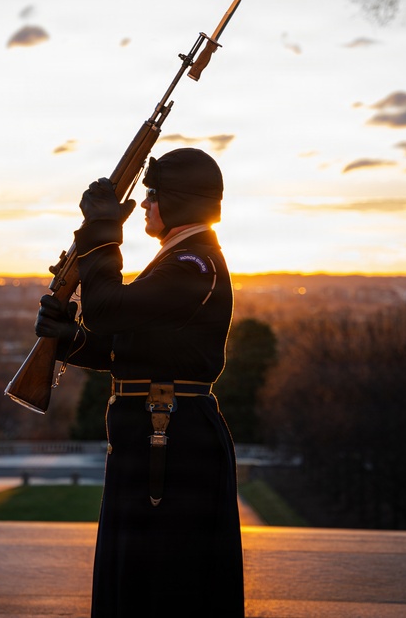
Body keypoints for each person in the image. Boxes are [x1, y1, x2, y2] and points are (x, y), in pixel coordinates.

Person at [34, 148, 245, 617]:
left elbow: (108, 309)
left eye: (154, 195)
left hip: (170, 442)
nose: (145, 203)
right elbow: (131, 351)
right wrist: (69, 341)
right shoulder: (179, 261)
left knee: (166, 590)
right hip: (154, 437)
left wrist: (101, 234)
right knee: (135, 584)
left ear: (179, 201)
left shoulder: (194, 266)